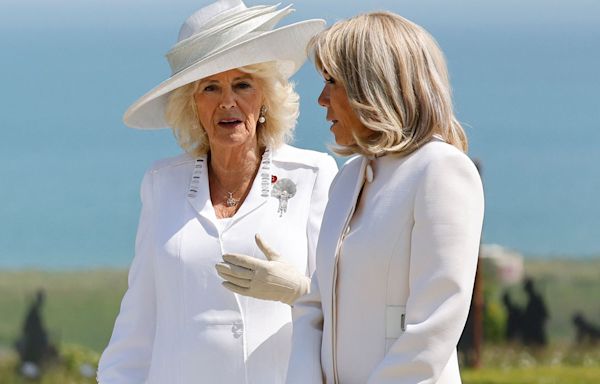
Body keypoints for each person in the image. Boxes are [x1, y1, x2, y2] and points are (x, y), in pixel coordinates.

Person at [97, 1, 337, 383]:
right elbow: (138, 323)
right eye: (211, 87)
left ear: (264, 100)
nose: (227, 101)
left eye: (242, 84)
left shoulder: (312, 175)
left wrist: (297, 291)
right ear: (192, 104)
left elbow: (345, 305)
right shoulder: (161, 184)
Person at [286, 12, 485, 383]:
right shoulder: (347, 179)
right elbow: (313, 308)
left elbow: (434, 325)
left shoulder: (441, 170)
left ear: (372, 86)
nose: (321, 99)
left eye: (332, 81)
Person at [521, 277, 548, 346]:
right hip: (533, 330)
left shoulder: (536, 299)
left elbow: (544, 314)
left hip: (535, 330)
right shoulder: (534, 299)